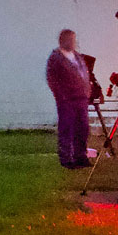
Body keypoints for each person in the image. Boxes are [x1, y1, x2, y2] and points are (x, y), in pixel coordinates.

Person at [46, 28, 93, 170]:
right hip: (67, 100)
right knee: (67, 128)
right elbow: (51, 78)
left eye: (74, 39)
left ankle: (81, 156)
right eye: (71, 39)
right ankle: (66, 158)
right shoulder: (56, 58)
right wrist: (61, 95)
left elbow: (84, 73)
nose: (74, 42)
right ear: (63, 40)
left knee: (82, 128)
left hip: (81, 98)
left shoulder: (77, 56)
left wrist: (87, 90)